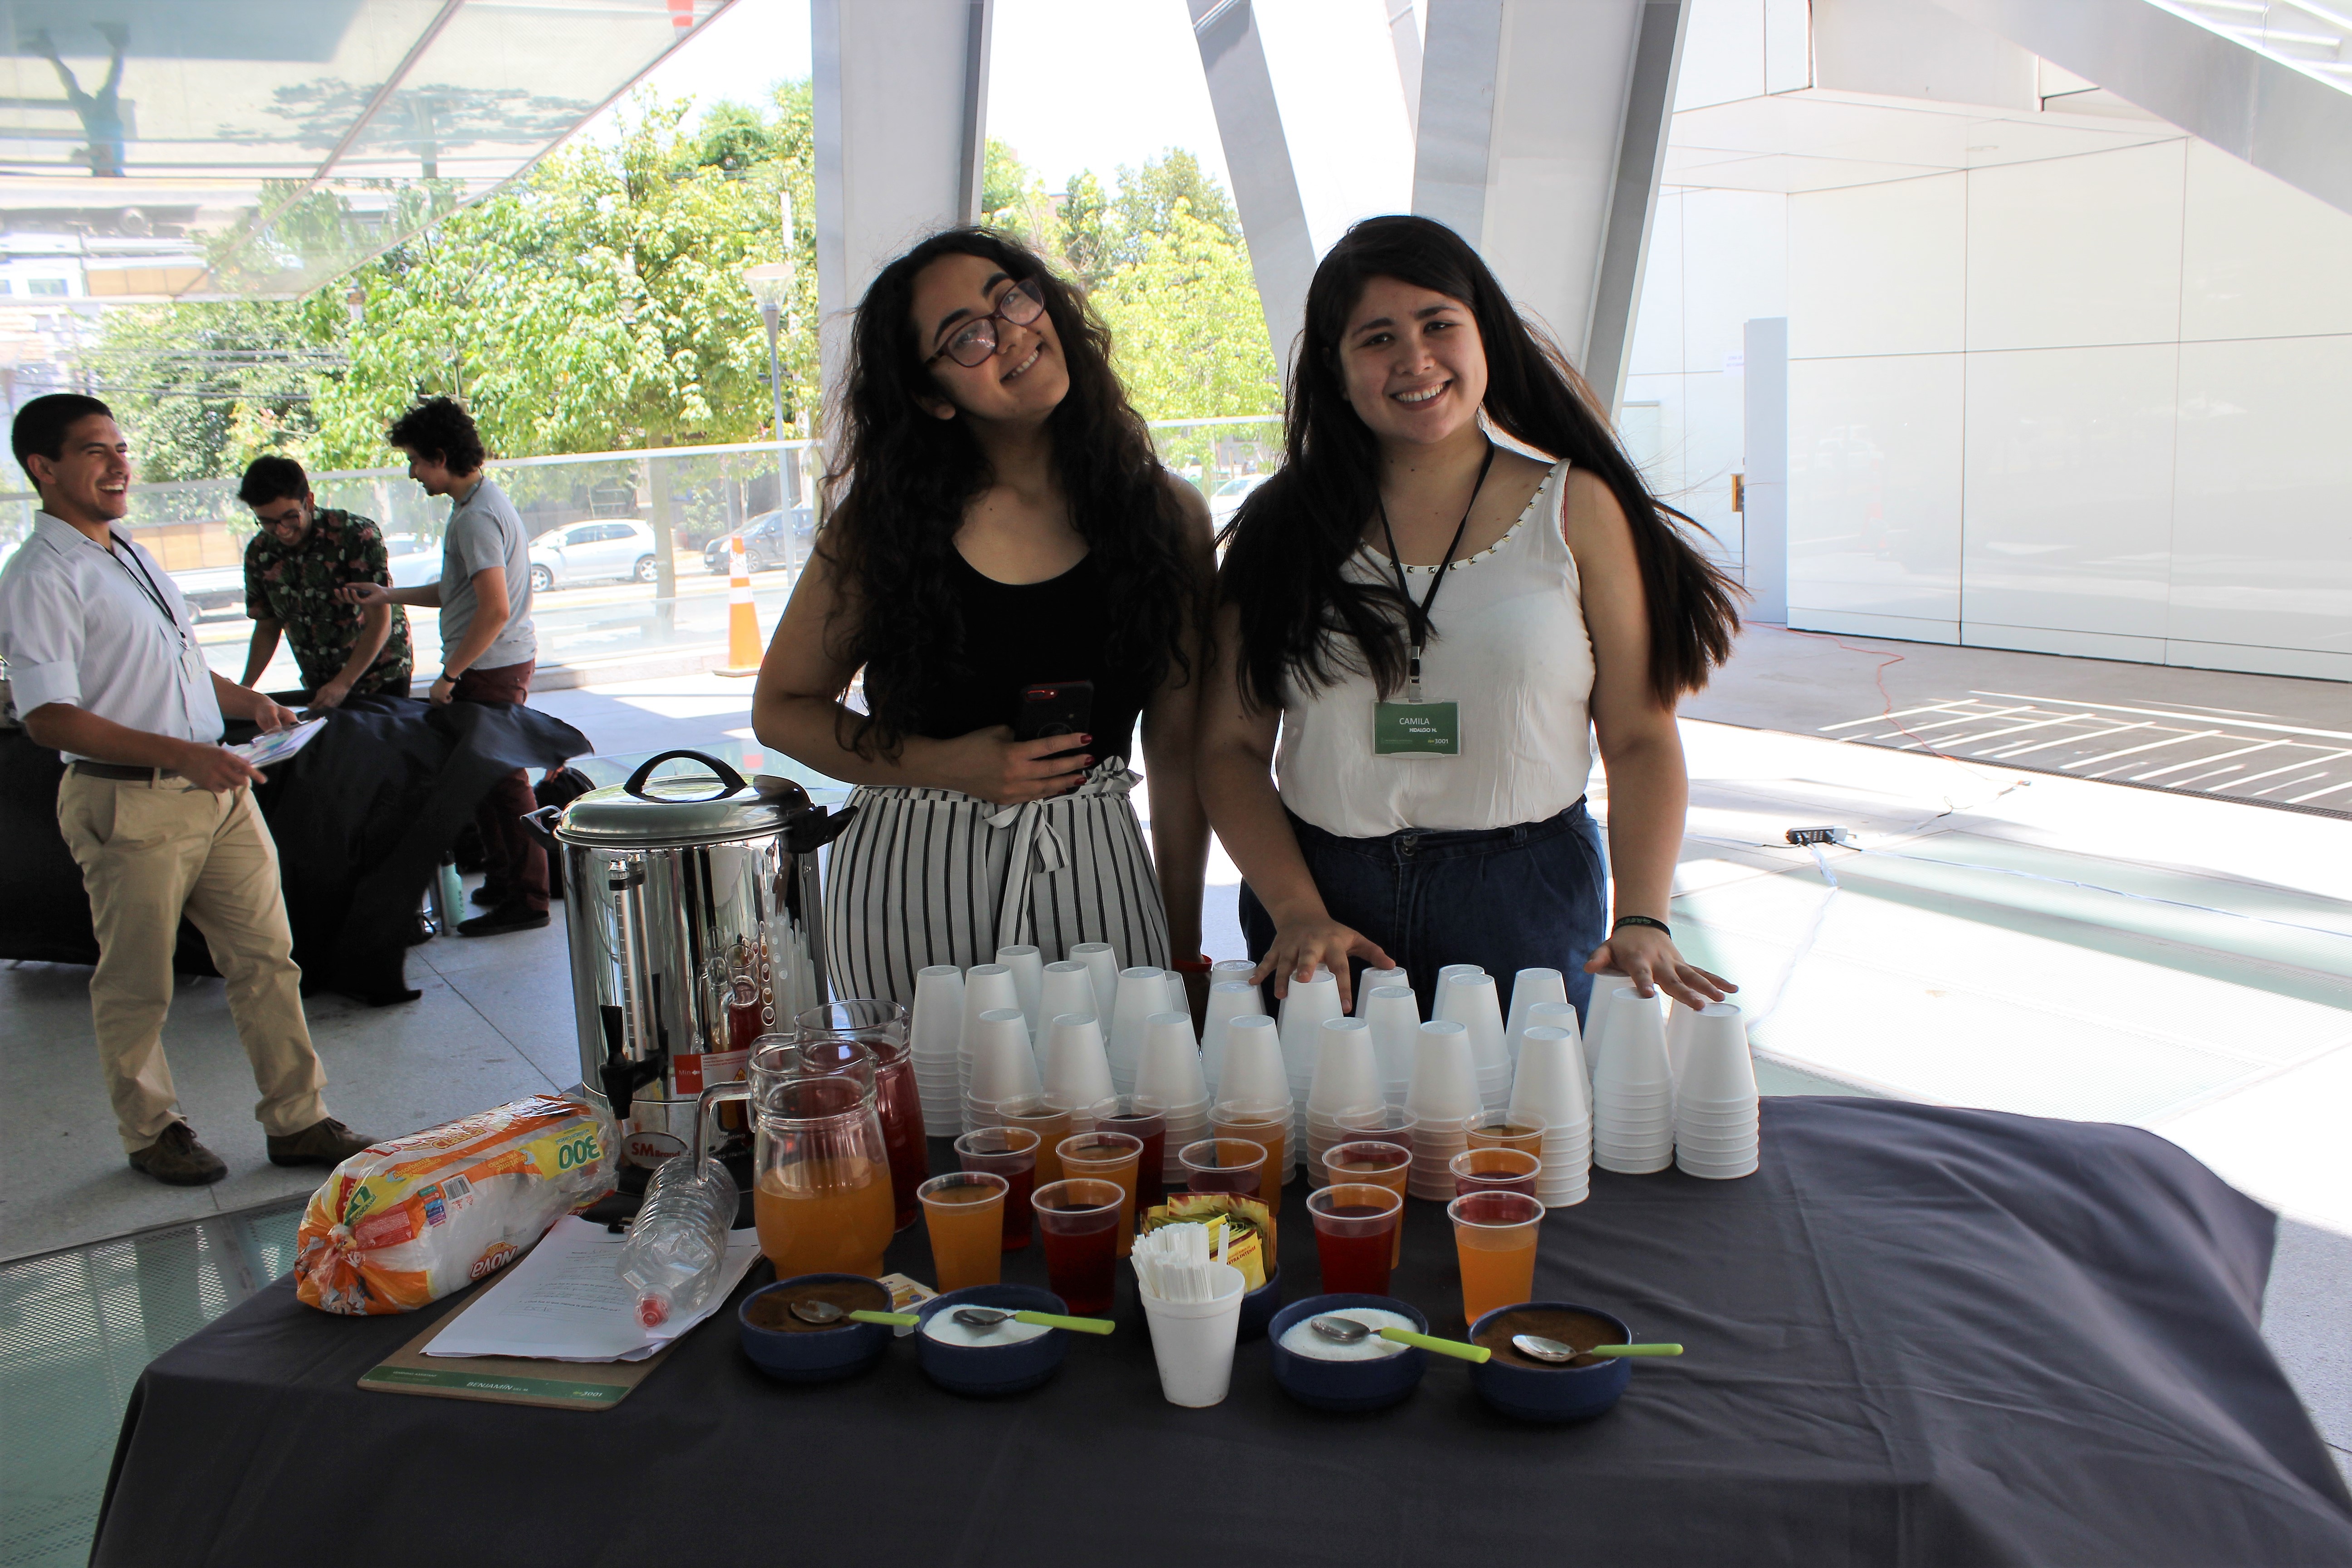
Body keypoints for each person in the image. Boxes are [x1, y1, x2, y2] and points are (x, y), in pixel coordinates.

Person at [1200, 215, 1741, 1019]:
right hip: (1322, 908)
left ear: (1485, 335)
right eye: (1377, 338)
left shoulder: (1576, 508)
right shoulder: (1282, 528)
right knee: (1326, 1109)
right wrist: (1295, 907)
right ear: (1335, 368)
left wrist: (1642, 915)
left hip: (1522, 900)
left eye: (1438, 324)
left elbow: (1638, 736)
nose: (1414, 359)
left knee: (1518, 1109)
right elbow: (1229, 748)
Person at [753, 227, 1215, 1006]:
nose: (1010, 333)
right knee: (930, 1090)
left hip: (1096, 866)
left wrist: (1182, 951)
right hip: (910, 880)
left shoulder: (1165, 514)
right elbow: (780, 709)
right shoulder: (886, 524)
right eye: (965, 335)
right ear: (932, 396)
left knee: (1119, 1087)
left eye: (1012, 298)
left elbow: (1176, 749)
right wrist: (947, 763)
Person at [0, 395, 370, 1185]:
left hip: (217, 790)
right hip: (128, 801)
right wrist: (183, 754)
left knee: (268, 959)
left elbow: (173, 667)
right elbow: (47, 716)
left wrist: (248, 704)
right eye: (95, 451)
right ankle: (150, 1131)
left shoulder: (127, 552)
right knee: (138, 981)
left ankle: (297, 1119)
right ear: (44, 467)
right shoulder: (40, 575)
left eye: (121, 448)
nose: (119, 464)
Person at [339, 397, 544, 936]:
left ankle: (528, 897)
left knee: (503, 782)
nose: (412, 473)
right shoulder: (477, 504)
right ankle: (506, 880)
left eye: (414, 461)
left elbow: (494, 609)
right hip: (493, 663)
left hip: (490, 667)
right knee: (484, 780)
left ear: (440, 456)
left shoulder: (476, 518)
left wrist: (451, 674)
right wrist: (387, 595)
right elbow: (459, 592)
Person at [236, 455, 413, 705]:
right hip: (321, 682)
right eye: (267, 522)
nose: (282, 530)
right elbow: (267, 627)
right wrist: (244, 689)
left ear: (308, 501)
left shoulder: (355, 534)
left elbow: (379, 620)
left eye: (290, 517)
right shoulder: (259, 552)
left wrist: (343, 683)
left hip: (381, 675)